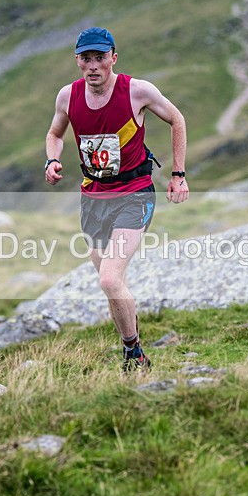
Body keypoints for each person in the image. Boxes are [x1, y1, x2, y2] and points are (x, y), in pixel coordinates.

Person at [44, 27, 189, 372]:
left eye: (100, 57)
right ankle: (133, 346)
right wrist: (52, 159)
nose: (93, 65)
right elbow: (54, 133)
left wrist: (178, 174)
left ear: (113, 58)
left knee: (109, 279)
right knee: (113, 285)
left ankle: (133, 354)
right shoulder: (67, 96)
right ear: (77, 61)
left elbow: (176, 119)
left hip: (134, 193)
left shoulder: (137, 91)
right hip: (93, 197)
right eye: (86, 58)